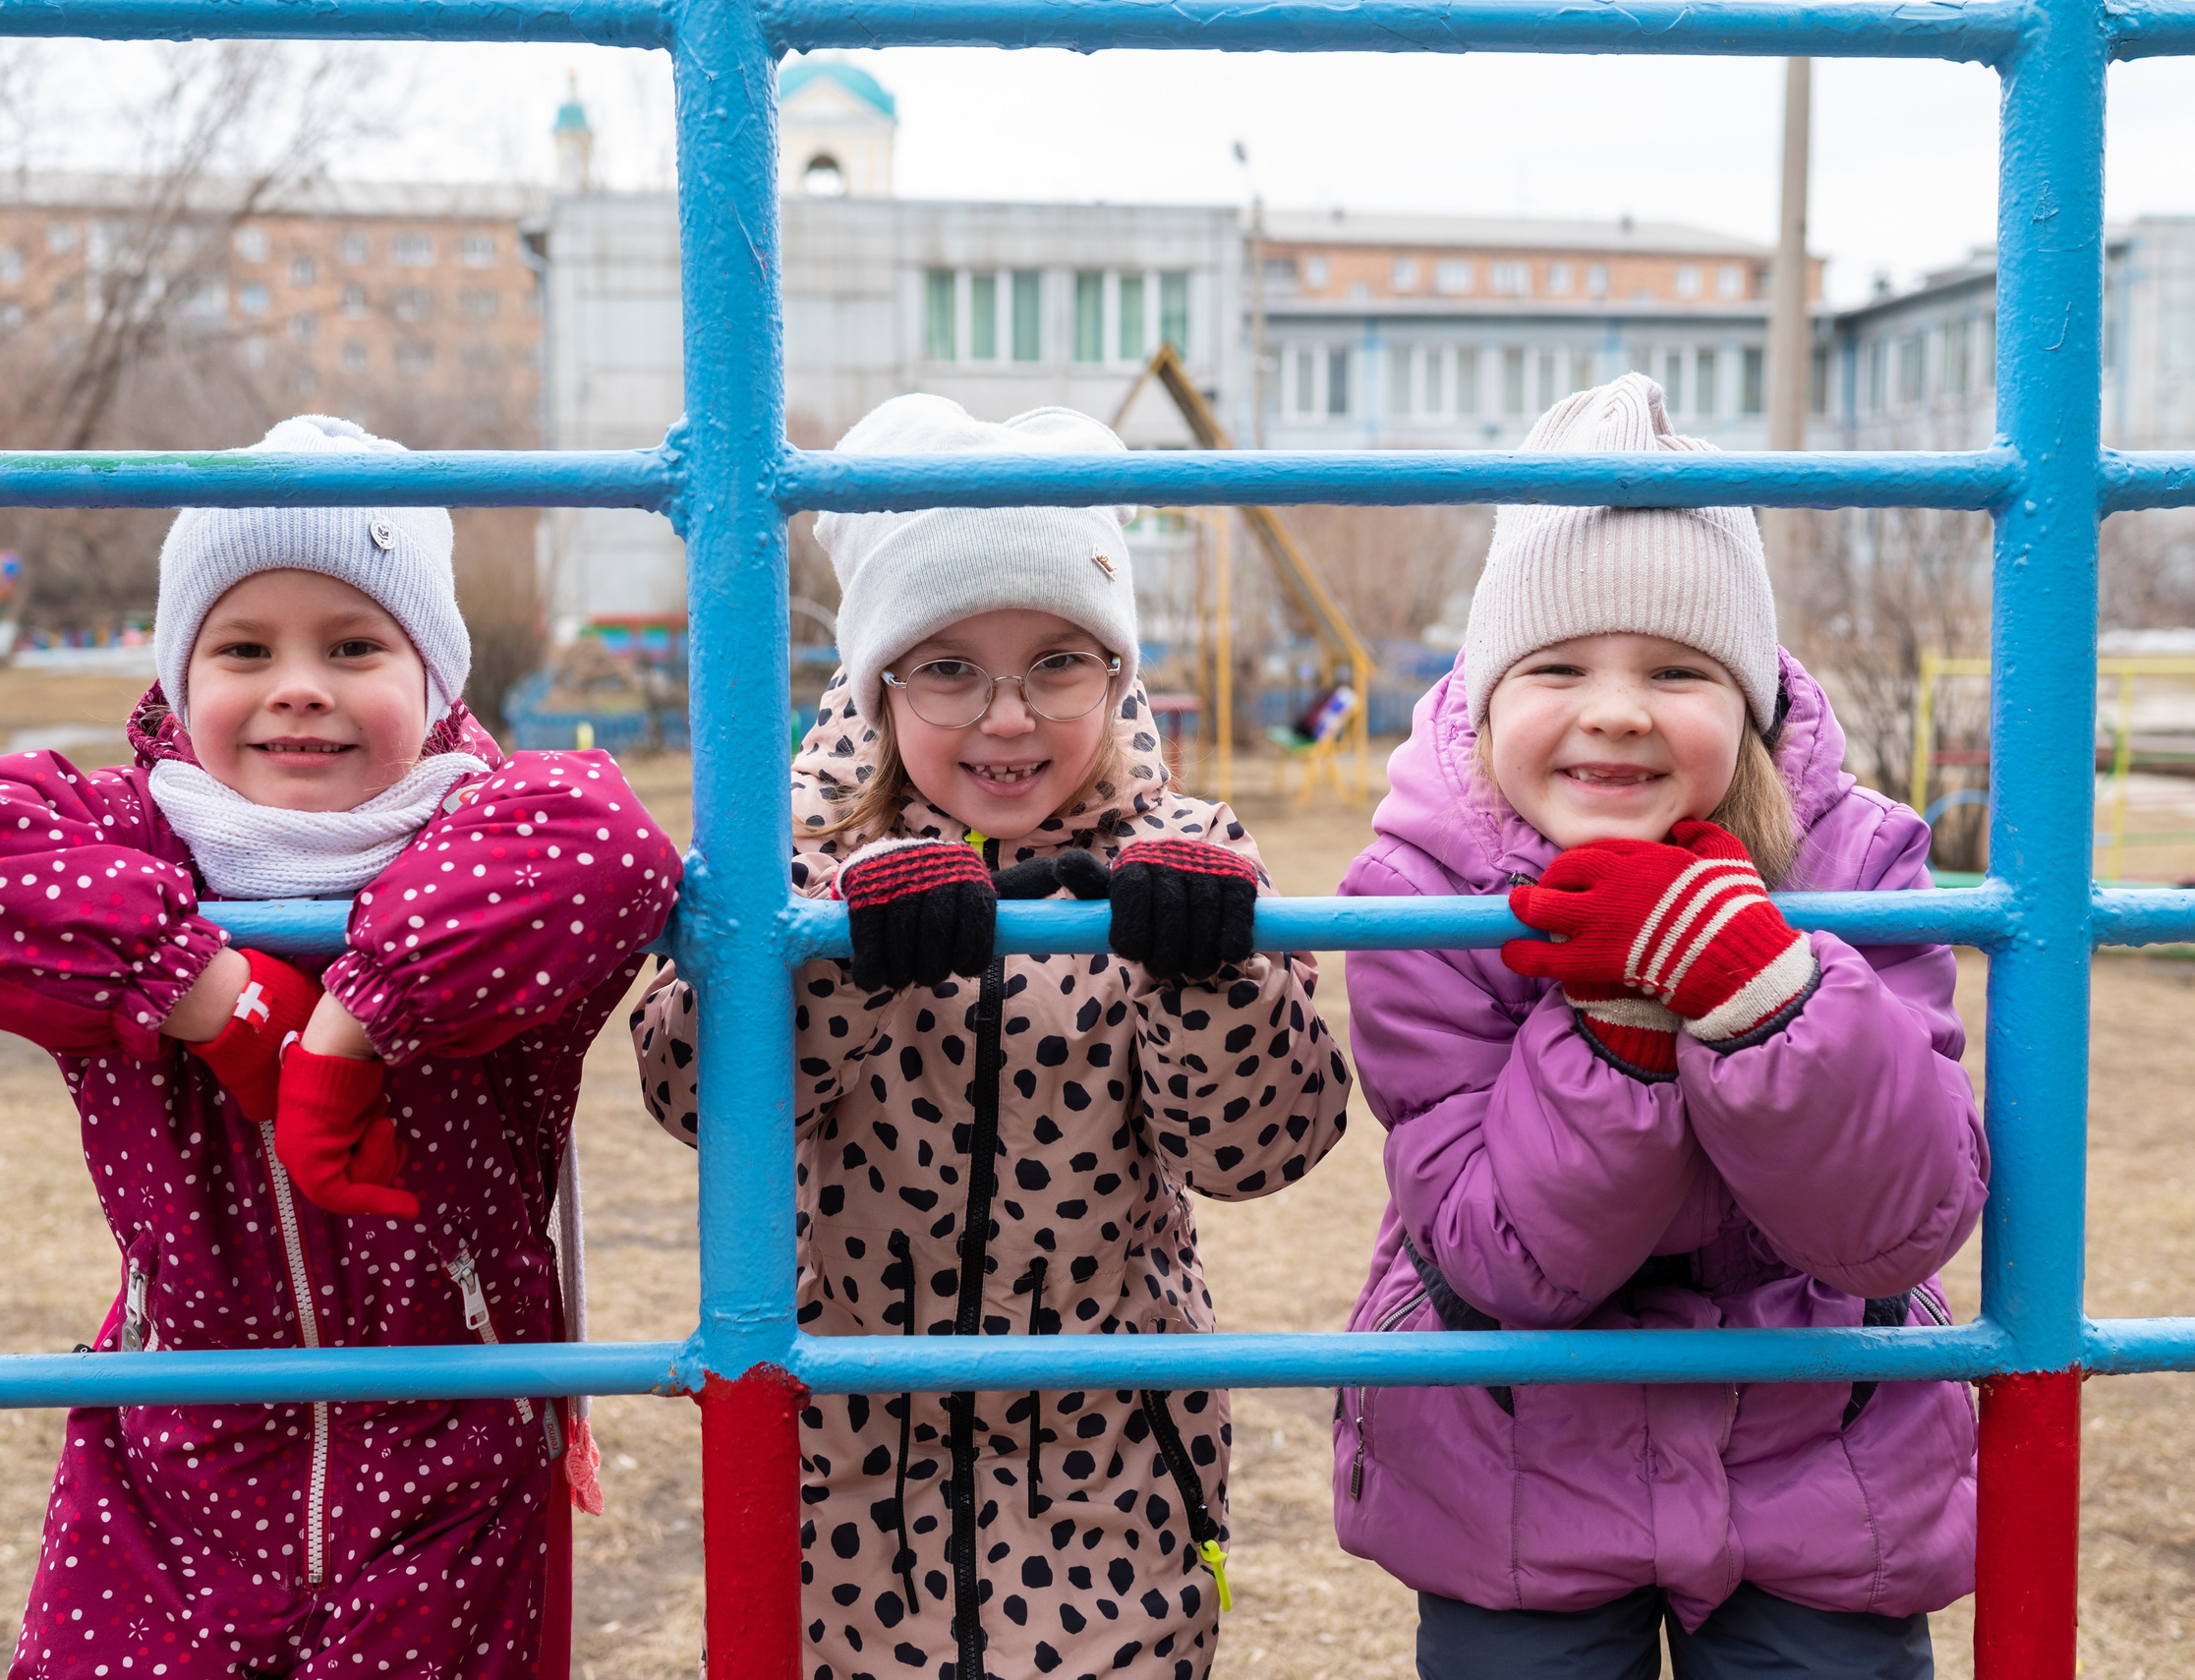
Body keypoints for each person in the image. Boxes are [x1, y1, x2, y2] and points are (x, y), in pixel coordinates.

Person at [0, 414, 682, 1680]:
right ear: (183, 679)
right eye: (244, 647)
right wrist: (215, 992)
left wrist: (350, 1024)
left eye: (354, 646)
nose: (298, 684)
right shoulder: (132, 839)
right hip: (176, 1454)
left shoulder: (489, 827)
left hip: (449, 1457)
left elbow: (615, 842)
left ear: (437, 681)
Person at [632, 394, 1353, 1680]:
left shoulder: (1183, 855)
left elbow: (1264, 1147)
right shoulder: (791, 856)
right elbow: (690, 1088)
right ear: (881, 679)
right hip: (843, 1467)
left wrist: (1207, 975)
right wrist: (838, 959)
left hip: (1108, 1464)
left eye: (1057, 663)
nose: (1008, 717)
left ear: (1116, 673)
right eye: (951, 665)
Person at [1330, 374, 1987, 1680]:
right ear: (1488, 689)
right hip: (1516, 1455)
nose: (1618, 707)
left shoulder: (1857, 858)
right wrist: (1622, 1025)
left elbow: (1899, 1226)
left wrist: (1755, 992)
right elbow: (1500, 1264)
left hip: (1823, 1447)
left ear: (1747, 699)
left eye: (1678, 668)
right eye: (1559, 666)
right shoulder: (1417, 894)